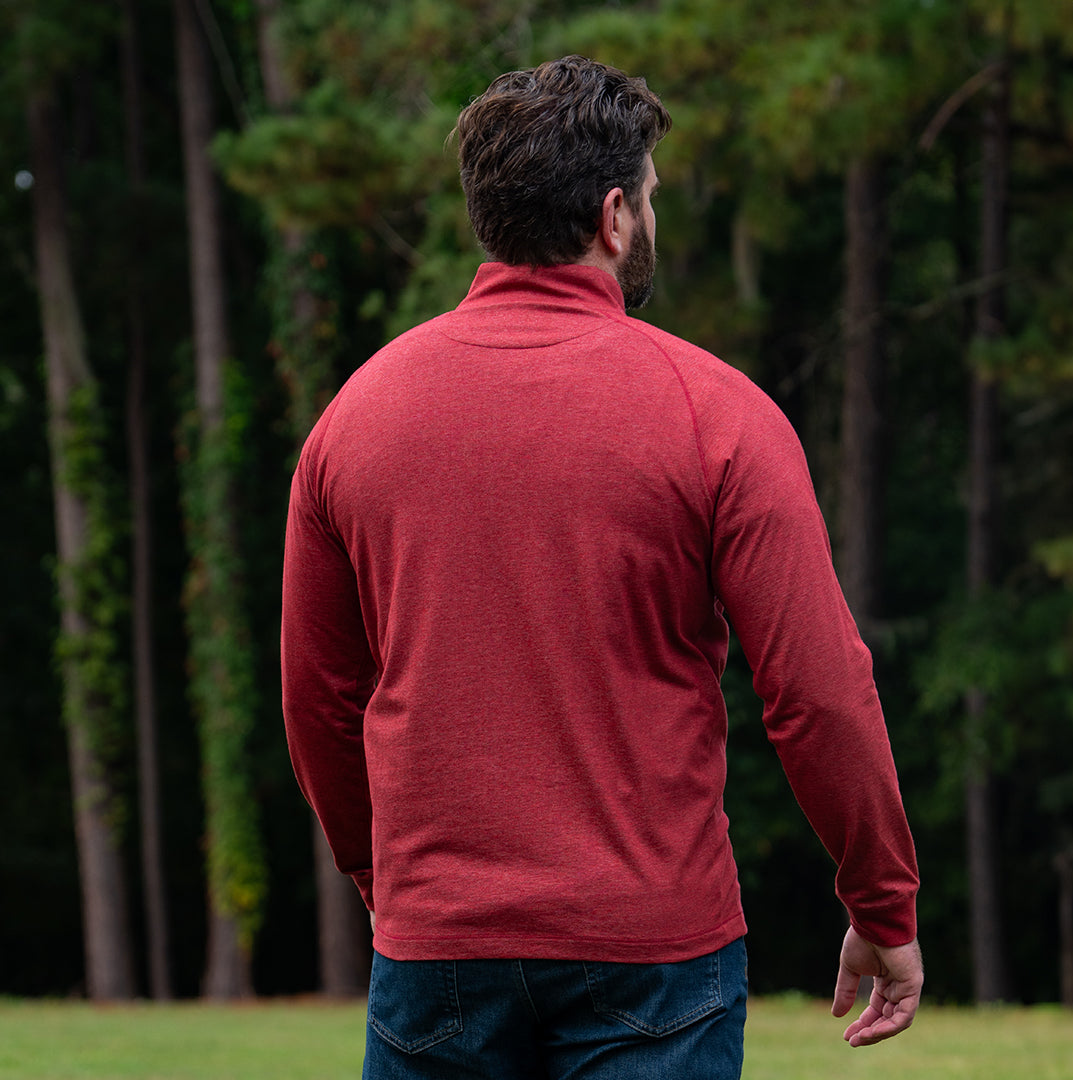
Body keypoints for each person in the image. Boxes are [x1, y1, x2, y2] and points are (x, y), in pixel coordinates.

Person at [281, 55, 922, 1079]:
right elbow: (817, 692)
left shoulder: (354, 418)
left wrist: (386, 881)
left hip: (437, 946)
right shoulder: (718, 414)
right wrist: (881, 902)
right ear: (614, 216)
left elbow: (319, 700)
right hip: (655, 954)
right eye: (651, 196)